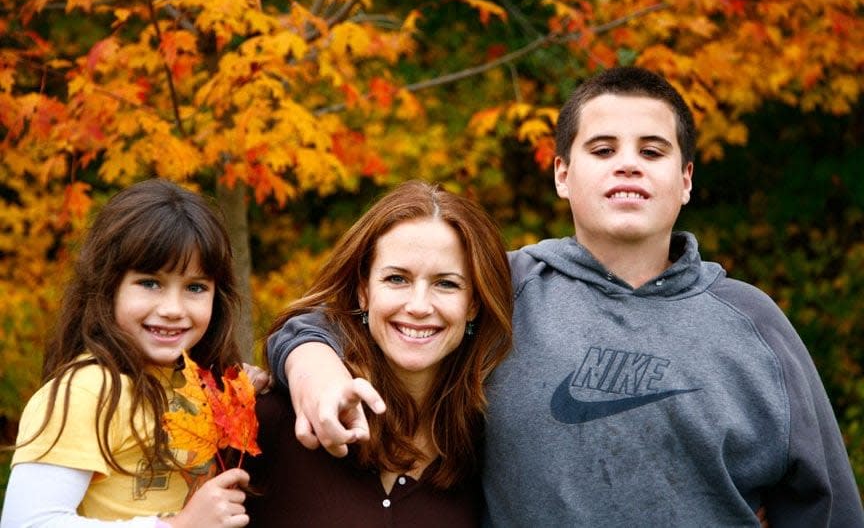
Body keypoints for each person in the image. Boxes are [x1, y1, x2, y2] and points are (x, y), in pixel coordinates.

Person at [266, 67, 864, 526]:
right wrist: (313, 366)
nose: (627, 165)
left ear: (685, 180)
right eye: (602, 150)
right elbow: (335, 318)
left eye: (652, 152)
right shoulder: (503, 289)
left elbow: (827, 504)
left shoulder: (753, 324)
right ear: (561, 174)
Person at [244, 180, 513, 527]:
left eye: (446, 283)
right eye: (397, 279)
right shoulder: (275, 418)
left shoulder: (487, 445)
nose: (418, 306)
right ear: (363, 292)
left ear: (473, 304)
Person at [1, 179, 251, 528]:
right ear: (108, 287)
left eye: (195, 287)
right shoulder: (88, 390)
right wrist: (176, 527)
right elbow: (25, 523)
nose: (173, 309)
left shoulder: (199, 382)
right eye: (150, 283)